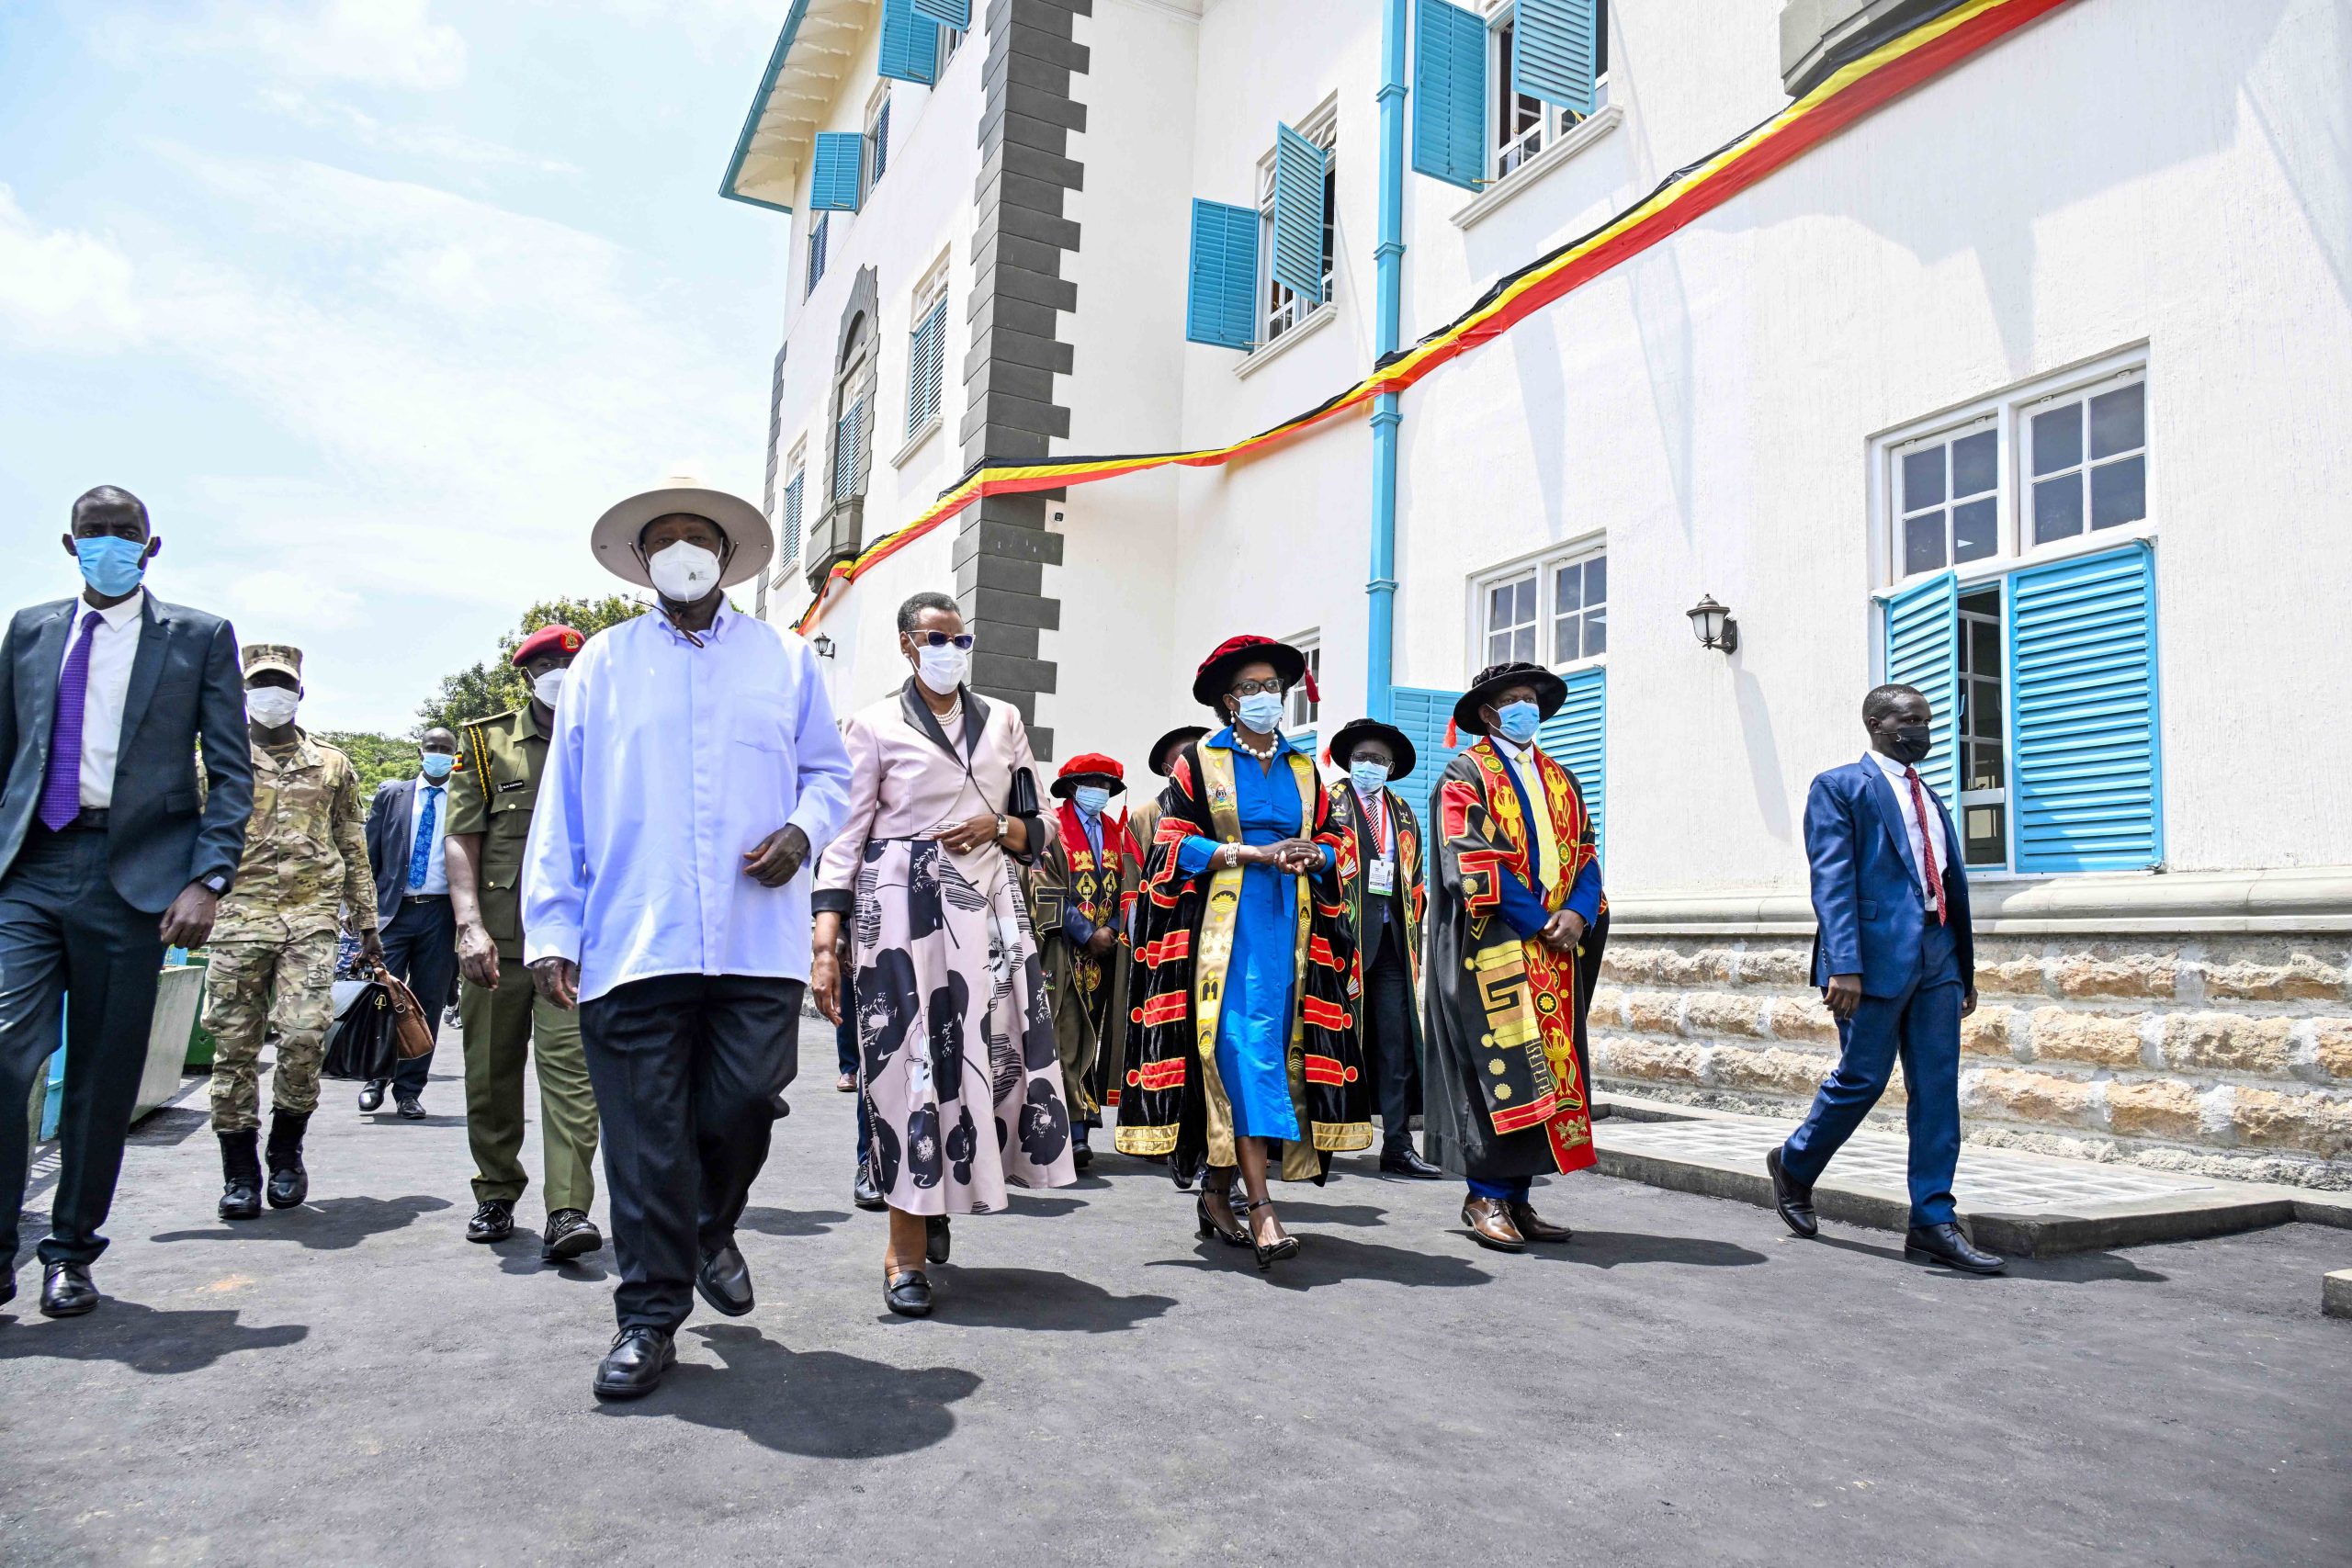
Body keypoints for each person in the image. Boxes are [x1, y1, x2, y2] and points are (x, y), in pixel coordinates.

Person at [524, 474, 851, 1400]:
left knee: (745, 1102)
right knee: (643, 1140)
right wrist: (550, 926)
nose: (678, 550)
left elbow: (829, 775)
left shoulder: (785, 660)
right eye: (660, 539)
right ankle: (649, 1316)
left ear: (724, 556)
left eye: (693, 536)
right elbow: (564, 805)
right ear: (641, 563)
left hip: (754, 941)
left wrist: (802, 830)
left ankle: (712, 1223)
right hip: (634, 935)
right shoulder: (604, 665)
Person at [0, 486, 252, 1318]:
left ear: (152, 545)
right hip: (32, 868)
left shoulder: (198, 636)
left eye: (125, 533)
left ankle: (69, 1250)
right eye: (94, 533)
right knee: (7, 1054)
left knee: (104, 1080)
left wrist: (206, 878)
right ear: (68, 545)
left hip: (134, 879)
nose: (110, 543)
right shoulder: (30, 631)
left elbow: (229, 770)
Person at [812, 591, 1072, 1319]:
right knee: (908, 1074)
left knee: (981, 1068)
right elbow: (844, 837)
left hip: (987, 914)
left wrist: (1001, 825)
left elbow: (1041, 823)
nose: (950, 650)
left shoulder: (1004, 720)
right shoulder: (871, 725)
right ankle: (902, 1253)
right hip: (901, 915)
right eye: (936, 637)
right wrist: (825, 940)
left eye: (962, 639)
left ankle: (939, 1204)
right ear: (905, 643)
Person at [1116, 636, 1369, 1269]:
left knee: (1268, 1054)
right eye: (1251, 688)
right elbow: (1169, 842)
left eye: (1272, 688)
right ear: (1229, 699)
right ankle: (1263, 1206)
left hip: (1294, 932)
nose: (1265, 698)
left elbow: (1341, 841)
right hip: (1223, 937)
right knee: (1247, 1050)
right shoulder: (1199, 762)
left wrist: (1321, 853)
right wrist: (1244, 852)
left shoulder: (1306, 769)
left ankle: (1215, 1192)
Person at [1766, 683, 2003, 1274]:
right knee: (1862, 1080)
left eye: (1926, 719)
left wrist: (1961, 967)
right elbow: (1833, 881)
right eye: (1910, 719)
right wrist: (1843, 964)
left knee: (1937, 1089)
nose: (1923, 728)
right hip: (1869, 961)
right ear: (1876, 722)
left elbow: (1947, 883)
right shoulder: (1841, 786)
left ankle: (1932, 1219)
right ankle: (1795, 1163)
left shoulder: (1930, 794)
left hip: (1939, 953)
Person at [1420, 662, 1606, 1253]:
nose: (1526, 707)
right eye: (1514, 700)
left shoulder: (1561, 778)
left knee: (1547, 1068)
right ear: (1488, 713)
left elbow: (1585, 851)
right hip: (1492, 947)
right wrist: (1539, 920)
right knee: (1497, 1067)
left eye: (1532, 699)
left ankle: (1518, 1198)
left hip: (1555, 950)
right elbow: (1471, 859)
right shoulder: (1465, 773)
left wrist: (1578, 914)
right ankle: (1484, 1194)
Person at [202, 644, 380, 1222]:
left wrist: (368, 922)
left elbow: (352, 844)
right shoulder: (214, 762)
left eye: (281, 683)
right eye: (260, 683)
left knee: (304, 1037)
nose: (271, 693)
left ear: (299, 693)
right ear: (243, 693)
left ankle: (285, 1154)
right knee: (232, 1047)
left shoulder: (332, 764)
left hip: (312, 919)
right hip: (237, 918)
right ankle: (238, 1172)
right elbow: (184, 836)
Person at [445, 623, 604, 1262]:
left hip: (574, 942)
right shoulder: (487, 744)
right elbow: (463, 836)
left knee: (572, 1077)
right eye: (546, 666)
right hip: (500, 941)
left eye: (572, 663)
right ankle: (496, 1190)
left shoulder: (608, 736)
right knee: (490, 1073)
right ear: (528, 677)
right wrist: (468, 923)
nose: (560, 675)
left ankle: (567, 1210)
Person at [1323, 717, 1441, 1179]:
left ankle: (1397, 1144)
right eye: (1362, 758)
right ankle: (1321, 1140)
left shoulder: (1404, 812)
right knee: (1329, 1042)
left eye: (1379, 760)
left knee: (1396, 1048)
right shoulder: (1327, 804)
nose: (1369, 765)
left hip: (1394, 943)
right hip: (1340, 943)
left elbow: (1415, 877)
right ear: (1349, 761)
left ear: (1391, 768)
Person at [1028, 752, 1141, 1171]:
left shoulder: (1117, 833)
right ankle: (1064, 1130)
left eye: (1108, 786)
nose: (1102, 792)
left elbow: (1129, 884)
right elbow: (1046, 885)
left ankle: (1084, 1127)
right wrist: (1085, 932)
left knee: (1095, 1035)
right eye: (1094, 784)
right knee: (1064, 1036)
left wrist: (1111, 928)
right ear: (1074, 788)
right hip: (1062, 951)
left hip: (1107, 953)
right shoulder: (1053, 830)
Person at [361, 728, 462, 1118]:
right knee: (381, 997)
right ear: (420, 751)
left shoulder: (465, 798)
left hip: (440, 914)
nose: (437, 754)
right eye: (431, 748)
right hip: (394, 911)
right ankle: (375, 1078)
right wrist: (360, 913)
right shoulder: (393, 796)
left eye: (445, 749)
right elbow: (369, 854)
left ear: (454, 755)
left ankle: (409, 1090)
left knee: (429, 1002)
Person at [1127, 726, 1205, 861]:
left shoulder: (1230, 801)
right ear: (1167, 769)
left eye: (1202, 758)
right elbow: (1133, 873)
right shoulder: (1145, 817)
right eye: (1185, 761)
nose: (1195, 765)